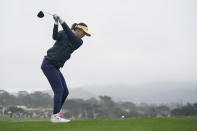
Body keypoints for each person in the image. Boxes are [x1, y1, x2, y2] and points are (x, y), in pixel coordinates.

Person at [41, 14, 91, 123]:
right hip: (48, 64)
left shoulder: (78, 42)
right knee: (59, 90)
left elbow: (69, 33)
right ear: (78, 30)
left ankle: (56, 114)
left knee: (65, 92)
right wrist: (56, 23)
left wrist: (61, 21)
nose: (83, 35)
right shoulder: (64, 33)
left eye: (85, 34)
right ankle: (55, 116)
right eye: (83, 32)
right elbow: (54, 36)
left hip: (55, 66)